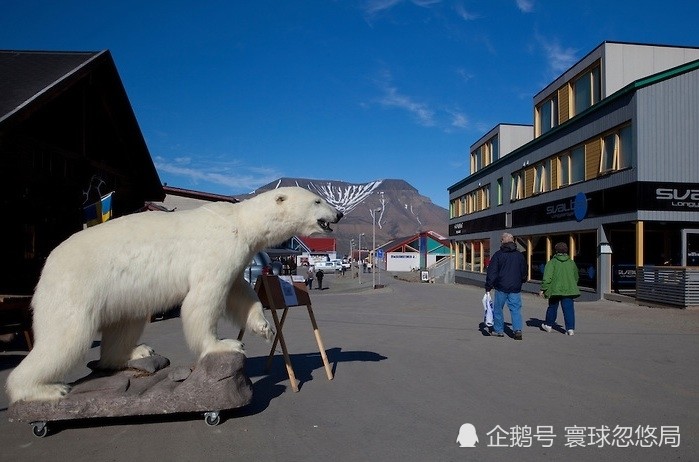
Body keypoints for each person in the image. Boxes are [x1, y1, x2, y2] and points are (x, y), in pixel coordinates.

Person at [485, 232, 528, 340]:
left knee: (498, 309)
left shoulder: (498, 255)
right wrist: (522, 280)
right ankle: (517, 329)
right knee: (516, 309)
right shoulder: (519, 255)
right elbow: (524, 270)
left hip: (501, 286)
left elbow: (492, 272)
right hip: (515, 287)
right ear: (513, 241)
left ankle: (498, 330)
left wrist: (488, 286)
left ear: (503, 241)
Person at [540, 242, 580, 335]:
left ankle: (549, 325)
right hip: (568, 290)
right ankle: (570, 329)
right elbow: (576, 276)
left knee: (552, 307)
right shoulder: (571, 262)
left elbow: (547, 277)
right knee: (569, 309)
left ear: (556, 251)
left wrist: (543, 288)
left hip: (554, 289)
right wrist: (571, 284)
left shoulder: (552, 262)